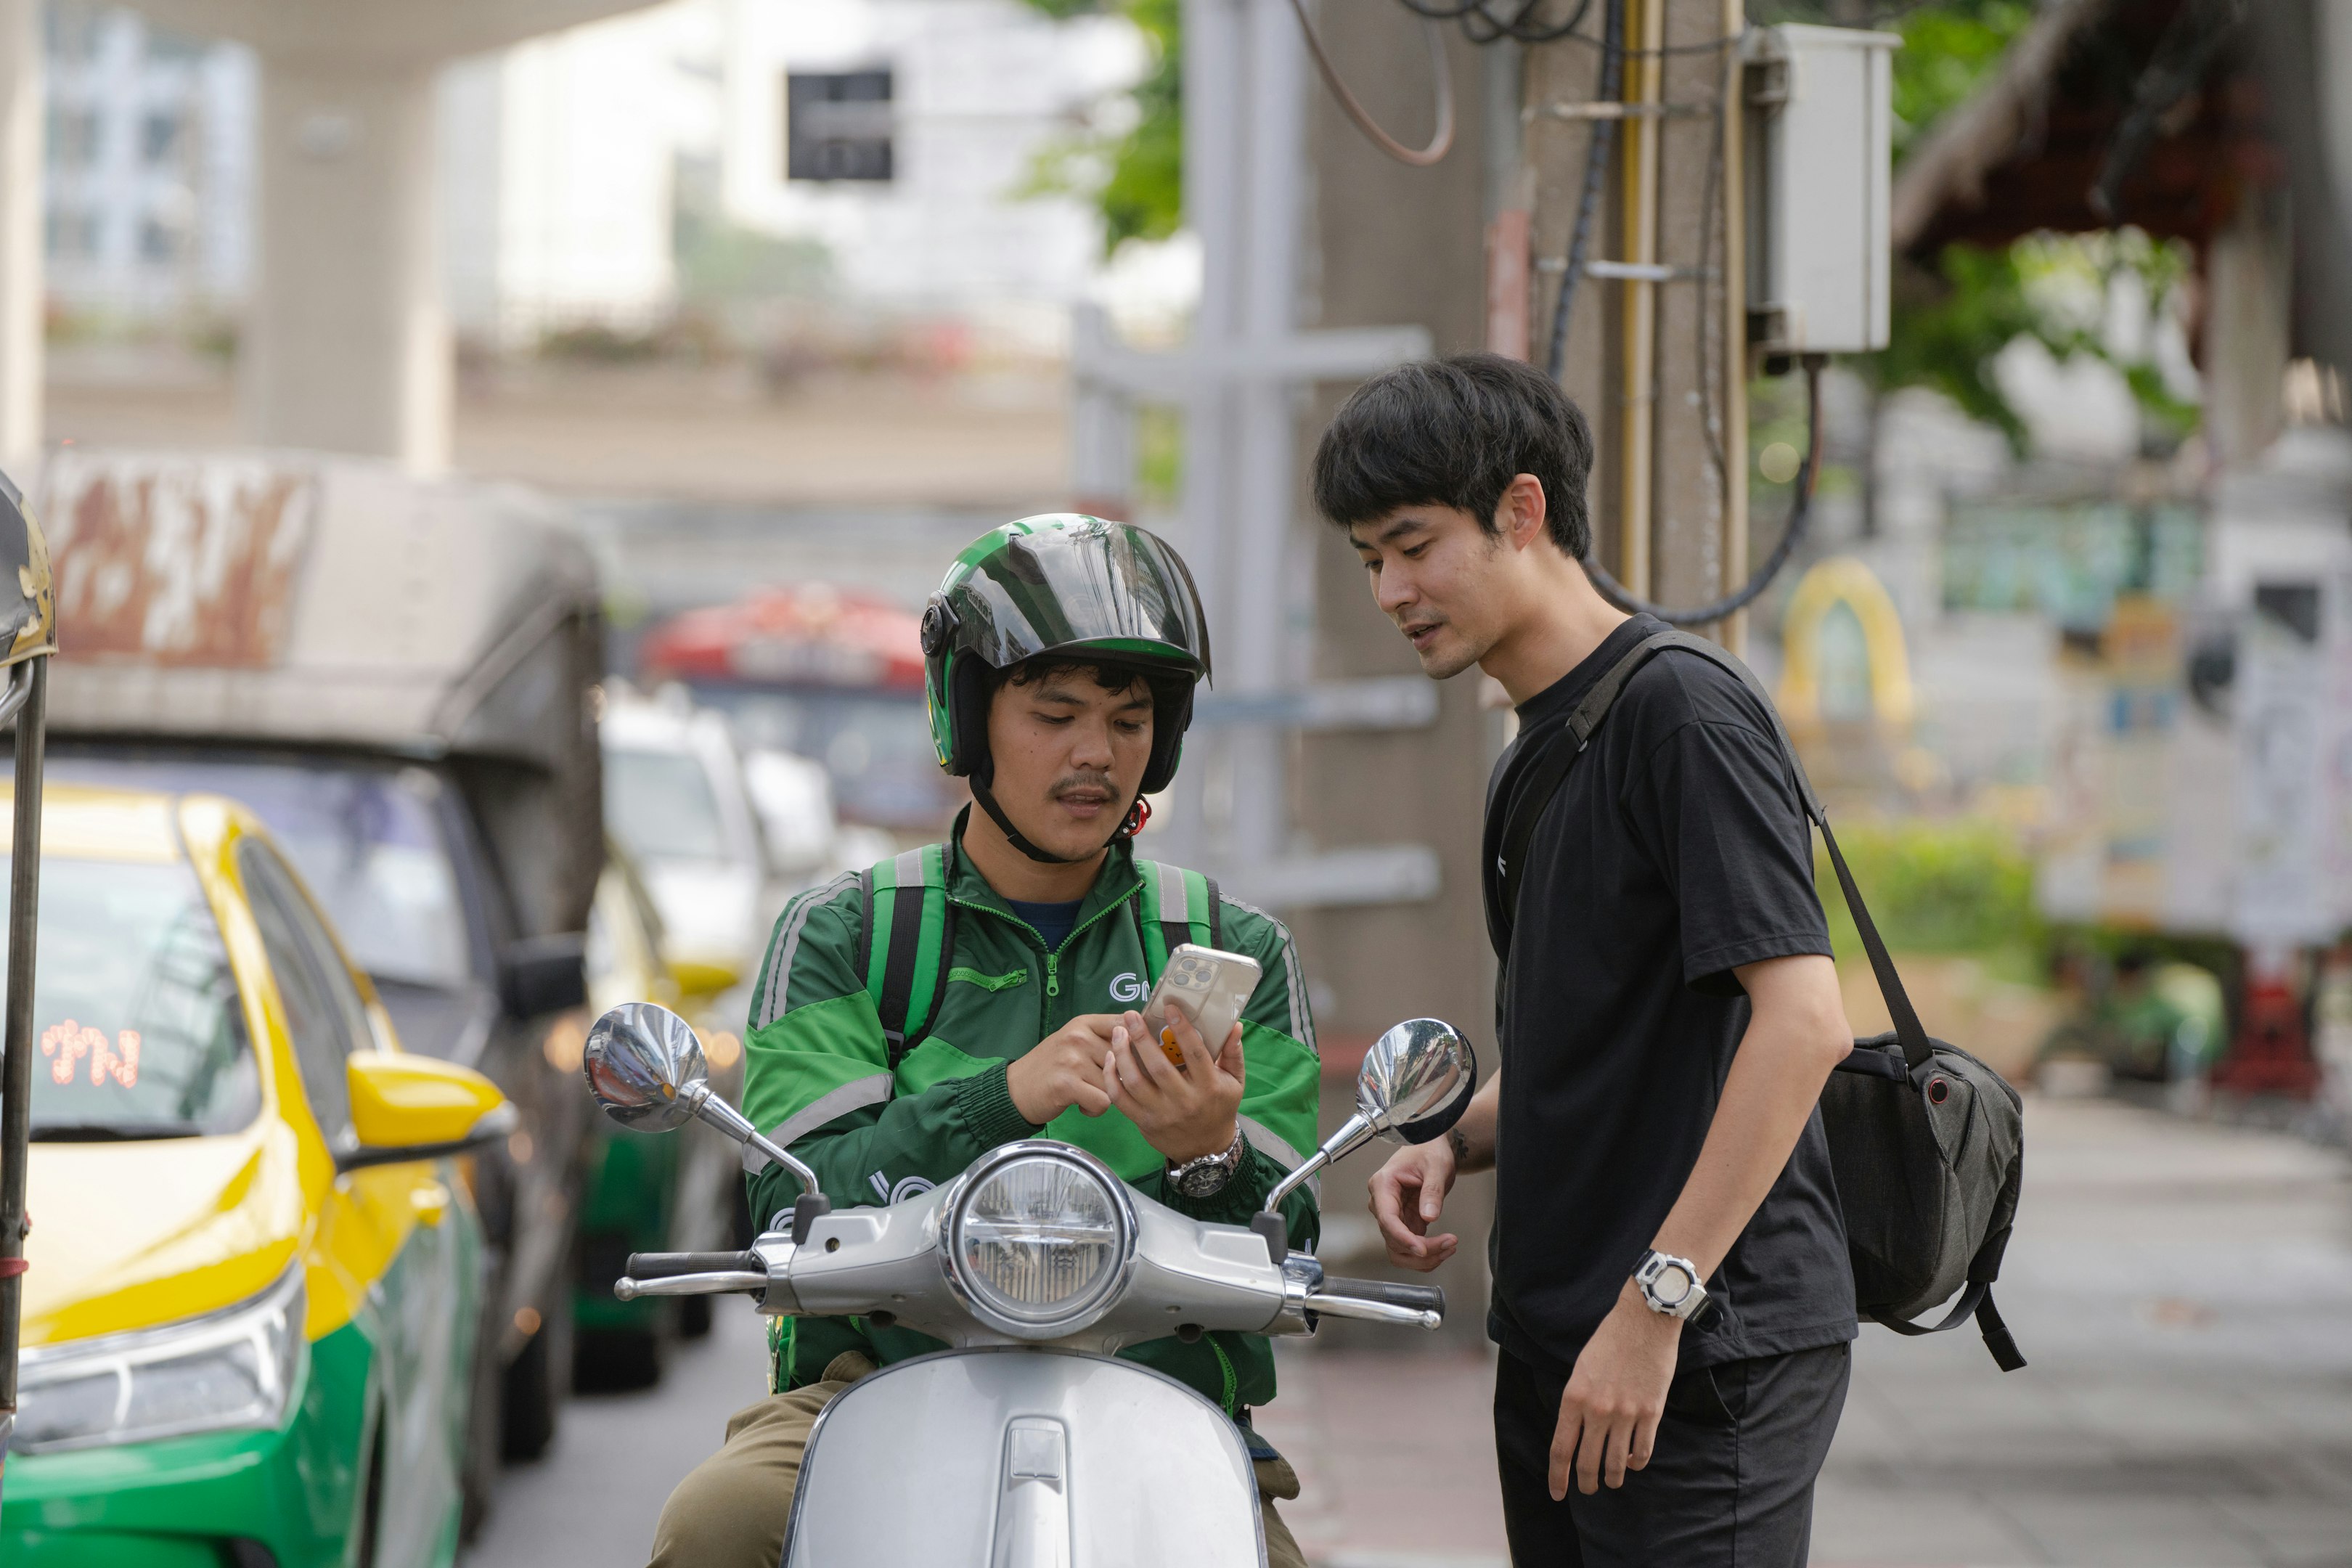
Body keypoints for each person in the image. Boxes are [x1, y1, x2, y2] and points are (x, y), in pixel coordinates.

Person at [648, 515, 1323, 1568]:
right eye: (1054, 713)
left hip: (1172, 1405)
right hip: (868, 1390)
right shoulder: (852, 936)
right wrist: (1001, 1098)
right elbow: (797, 1197)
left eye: (1129, 720)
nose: (1095, 753)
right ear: (966, 715)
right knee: (717, 1526)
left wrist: (1210, 1154)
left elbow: (1295, 1241)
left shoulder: (1235, 948)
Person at [1312, 354, 1858, 1567]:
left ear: (1522, 507)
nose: (1393, 590)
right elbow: (1601, 1046)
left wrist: (1657, 1306)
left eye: (1413, 544)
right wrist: (1452, 1141)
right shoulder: (1534, 750)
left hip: (1703, 1345)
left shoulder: (1682, 714)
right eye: (1369, 563)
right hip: (1566, 1340)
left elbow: (1804, 1023)